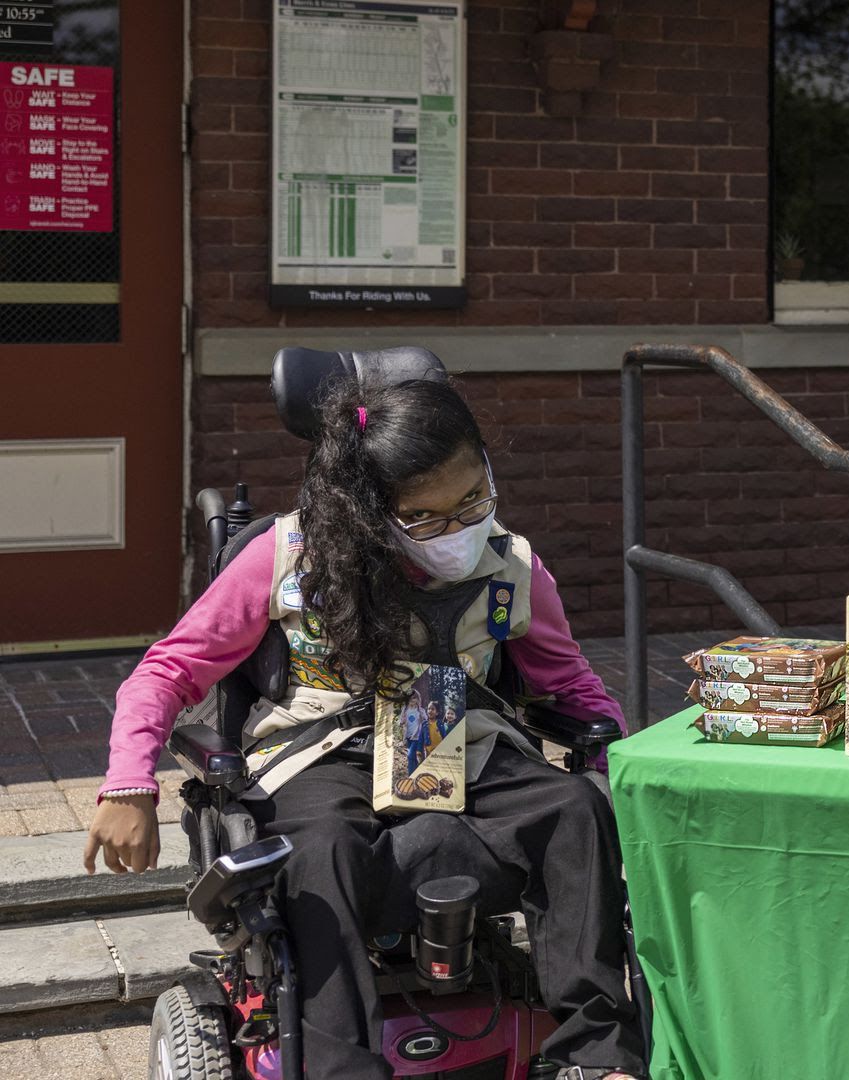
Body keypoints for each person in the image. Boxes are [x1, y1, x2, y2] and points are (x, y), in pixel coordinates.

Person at [82, 377, 644, 1079]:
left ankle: (596, 1058)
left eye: (473, 499)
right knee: (318, 849)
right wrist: (129, 783)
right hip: (321, 748)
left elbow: (569, 684)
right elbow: (169, 670)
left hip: (459, 738)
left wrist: (616, 757)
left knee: (575, 809)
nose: (459, 529)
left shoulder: (510, 568)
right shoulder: (287, 559)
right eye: (426, 518)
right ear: (367, 511)